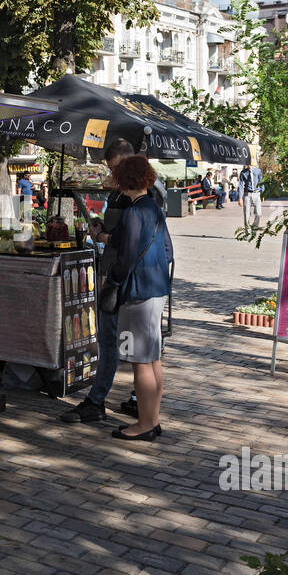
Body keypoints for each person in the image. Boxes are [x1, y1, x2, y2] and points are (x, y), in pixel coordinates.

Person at [61, 138, 163, 423]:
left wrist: (116, 282)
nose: (113, 177)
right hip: (143, 283)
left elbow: (130, 245)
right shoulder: (135, 200)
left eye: (116, 169)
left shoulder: (141, 202)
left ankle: (140, 417)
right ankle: (144, 413)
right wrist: (104, 231)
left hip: (130, 284)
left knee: (132, 352)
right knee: (145, 354)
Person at [108, 155, 173, 441]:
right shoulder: (153, 207)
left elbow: (127, 257)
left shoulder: (134, 212)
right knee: (152, 358)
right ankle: (152, 419)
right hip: (156, 288)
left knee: (140, 361)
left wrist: (113, 281)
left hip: (137, 292)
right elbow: (168, 250)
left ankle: (145, 424)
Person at [239, 161, 264, 231]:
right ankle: (248, 232)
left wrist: (263, 194)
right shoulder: (243, 172)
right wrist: (240, 198)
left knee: (259, 213)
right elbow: (240, 185)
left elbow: (261, 182)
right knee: (246, 214)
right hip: (247, 194)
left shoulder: (258, 171)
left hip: (257, 193)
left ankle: (254, 227)